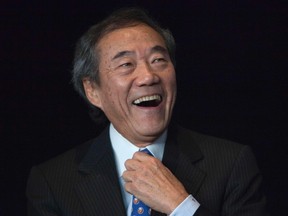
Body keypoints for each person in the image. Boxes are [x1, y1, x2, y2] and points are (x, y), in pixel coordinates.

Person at [26, 7, 268, 216]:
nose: (148, 76)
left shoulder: (232, 164)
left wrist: (180, 206)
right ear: (92, 90)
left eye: (158, 60)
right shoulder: (53, 182)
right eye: (126, 64)